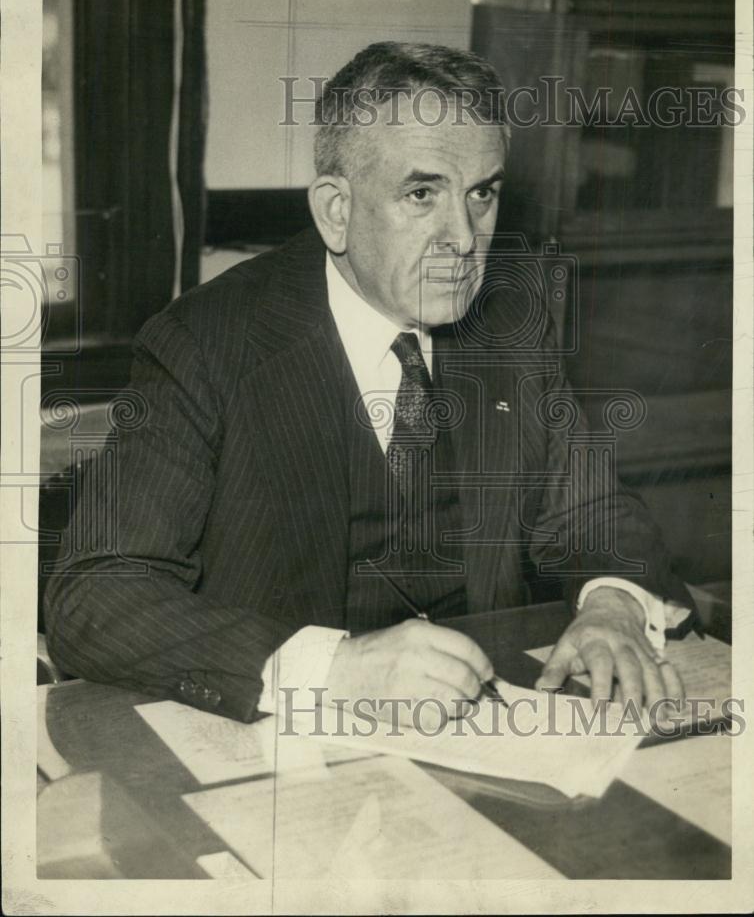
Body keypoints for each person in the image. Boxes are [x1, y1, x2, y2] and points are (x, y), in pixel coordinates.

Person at [44, 41, 697, 725]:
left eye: (482, 194)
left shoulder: (511, 322)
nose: (465, 238)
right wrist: (333, 672)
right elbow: (95, 593)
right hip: (275, 754)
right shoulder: (205, 345)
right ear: (335, 211)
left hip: (475, 735)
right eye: (423, 194)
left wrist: (613, 606)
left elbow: (594, 513)